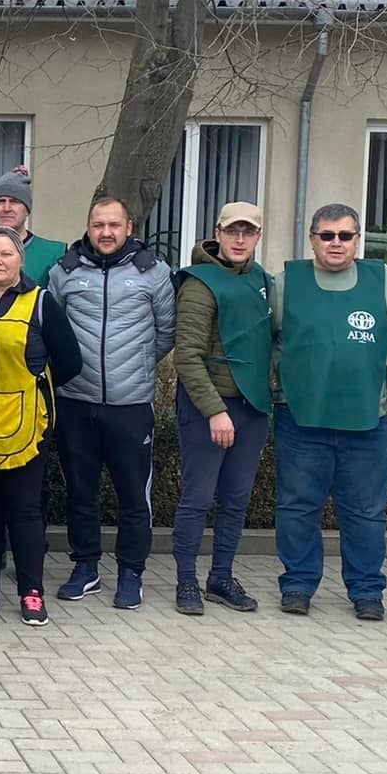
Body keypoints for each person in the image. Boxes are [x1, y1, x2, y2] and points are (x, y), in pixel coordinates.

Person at [270, 203, 387, 620]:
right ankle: (297, 585)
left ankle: (366, 592)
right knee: (297, 509)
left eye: (345, 235)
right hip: (301, 419)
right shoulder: (285, 284)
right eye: (327, 235)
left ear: (358, 240)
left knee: (365, 514)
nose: (336, 243)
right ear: (312, 240)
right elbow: (258, 336)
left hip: (368, 422)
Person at [48, 196, 177, 610]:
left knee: (133, 496)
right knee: (80, 493)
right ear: (88, 227)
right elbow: (54, 332)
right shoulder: (64, 272)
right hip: (75, 402)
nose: (106, 232)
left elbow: (166, 332)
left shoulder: (154, 273)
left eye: (114, 225)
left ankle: (131, 572)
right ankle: (85, 567)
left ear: (129, 227)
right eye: (98, 225)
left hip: (131, 405)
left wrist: (136, 366)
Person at [0, 227, 80, 627]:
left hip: (27, 422)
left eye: (5, 254)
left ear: (20, 260)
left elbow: (70, 362)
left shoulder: (41, 302)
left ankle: (31, 591)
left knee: (25, 511)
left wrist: (35, 388)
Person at [170, 202, 275, 616]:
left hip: (251, 407)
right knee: (198, 498)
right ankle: (185, 581)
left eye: (248, 232)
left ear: (258, 237)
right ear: (218, 232)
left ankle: (221, 578)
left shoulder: (263, 280)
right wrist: (215, 411)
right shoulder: (199, 283)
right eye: (232, 231)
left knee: (236, 499)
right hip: (207, 407)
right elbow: (187, 356)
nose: (239, 239)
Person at [0, 166, 67, 283]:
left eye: (15, 201)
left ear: (27, 210)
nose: (6, 208)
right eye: (0, 201)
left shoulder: (54, 254)